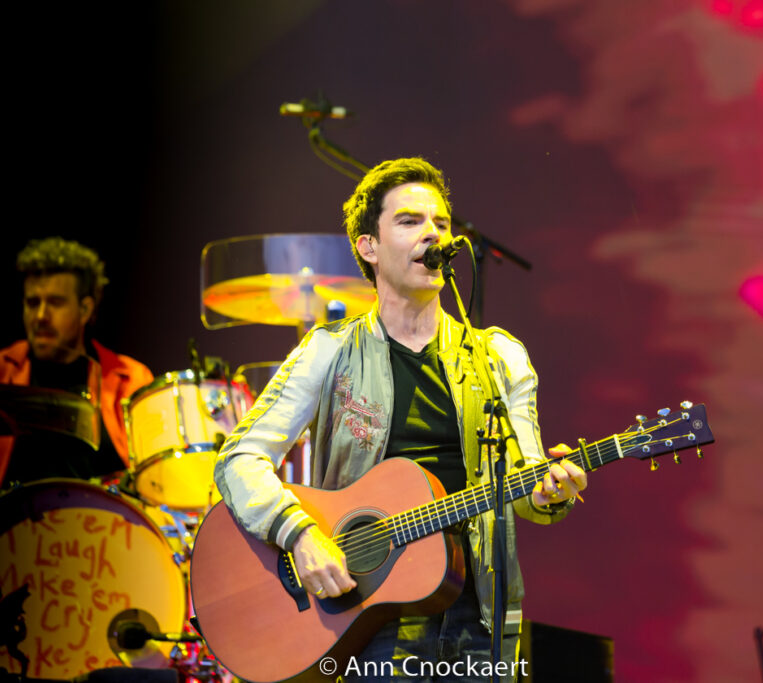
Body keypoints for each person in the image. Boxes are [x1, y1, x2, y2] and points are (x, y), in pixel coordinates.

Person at [214, 158, 586, 682]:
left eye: (441, 223)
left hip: (480, 615)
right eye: (410, 221)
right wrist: (300, 534)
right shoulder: (330, 351)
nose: (432, 234)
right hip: (369, 615)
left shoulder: (500, 358)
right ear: (368, 246)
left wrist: (552, 491)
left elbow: (524, 486)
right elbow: (238, 459)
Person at [0, 237, 153, 486]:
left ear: (85, 310)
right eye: (33, 303)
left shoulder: (131, 379)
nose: (41, 316)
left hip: (100, 512)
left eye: (55, 303)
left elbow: (153, 479)